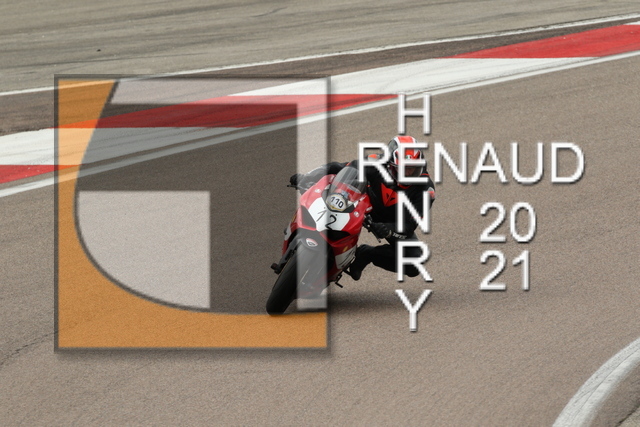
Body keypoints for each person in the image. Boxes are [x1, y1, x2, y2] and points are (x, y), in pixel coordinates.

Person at [290, 136, 435, 281]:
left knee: (414, 263)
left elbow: (410, 225)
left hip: (393, 221)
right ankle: (309, 228)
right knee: (334, 196)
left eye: (413, 169)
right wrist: (308, 177)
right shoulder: (376, 162)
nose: (409, 174)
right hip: (364, 202)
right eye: (404, 169)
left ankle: (366, 254)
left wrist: (389, 229)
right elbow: (341, 168)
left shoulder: (426, 190)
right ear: (390, 165)